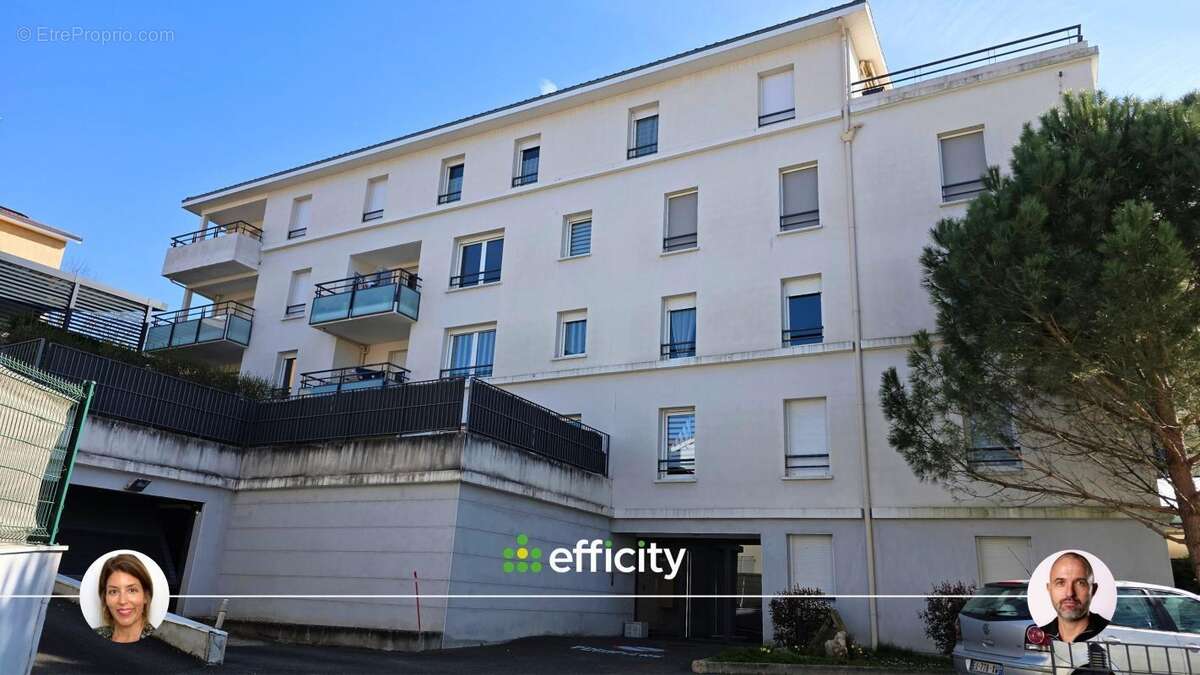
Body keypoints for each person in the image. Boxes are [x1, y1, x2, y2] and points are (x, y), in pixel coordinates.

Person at [1039, 551, 1109, 643]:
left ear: (1093, 590)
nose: (1070, 593)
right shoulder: (1039, 635)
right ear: (1049, 589)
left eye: (1080, 583)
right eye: (1060, 583)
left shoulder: (1109, 631)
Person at [95, 553, 155, 643]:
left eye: (132, 590)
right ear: (105, 598)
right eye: (114, 592)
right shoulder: (95, 635)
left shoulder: (161, 642)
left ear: (145, 596)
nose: (122, 601)